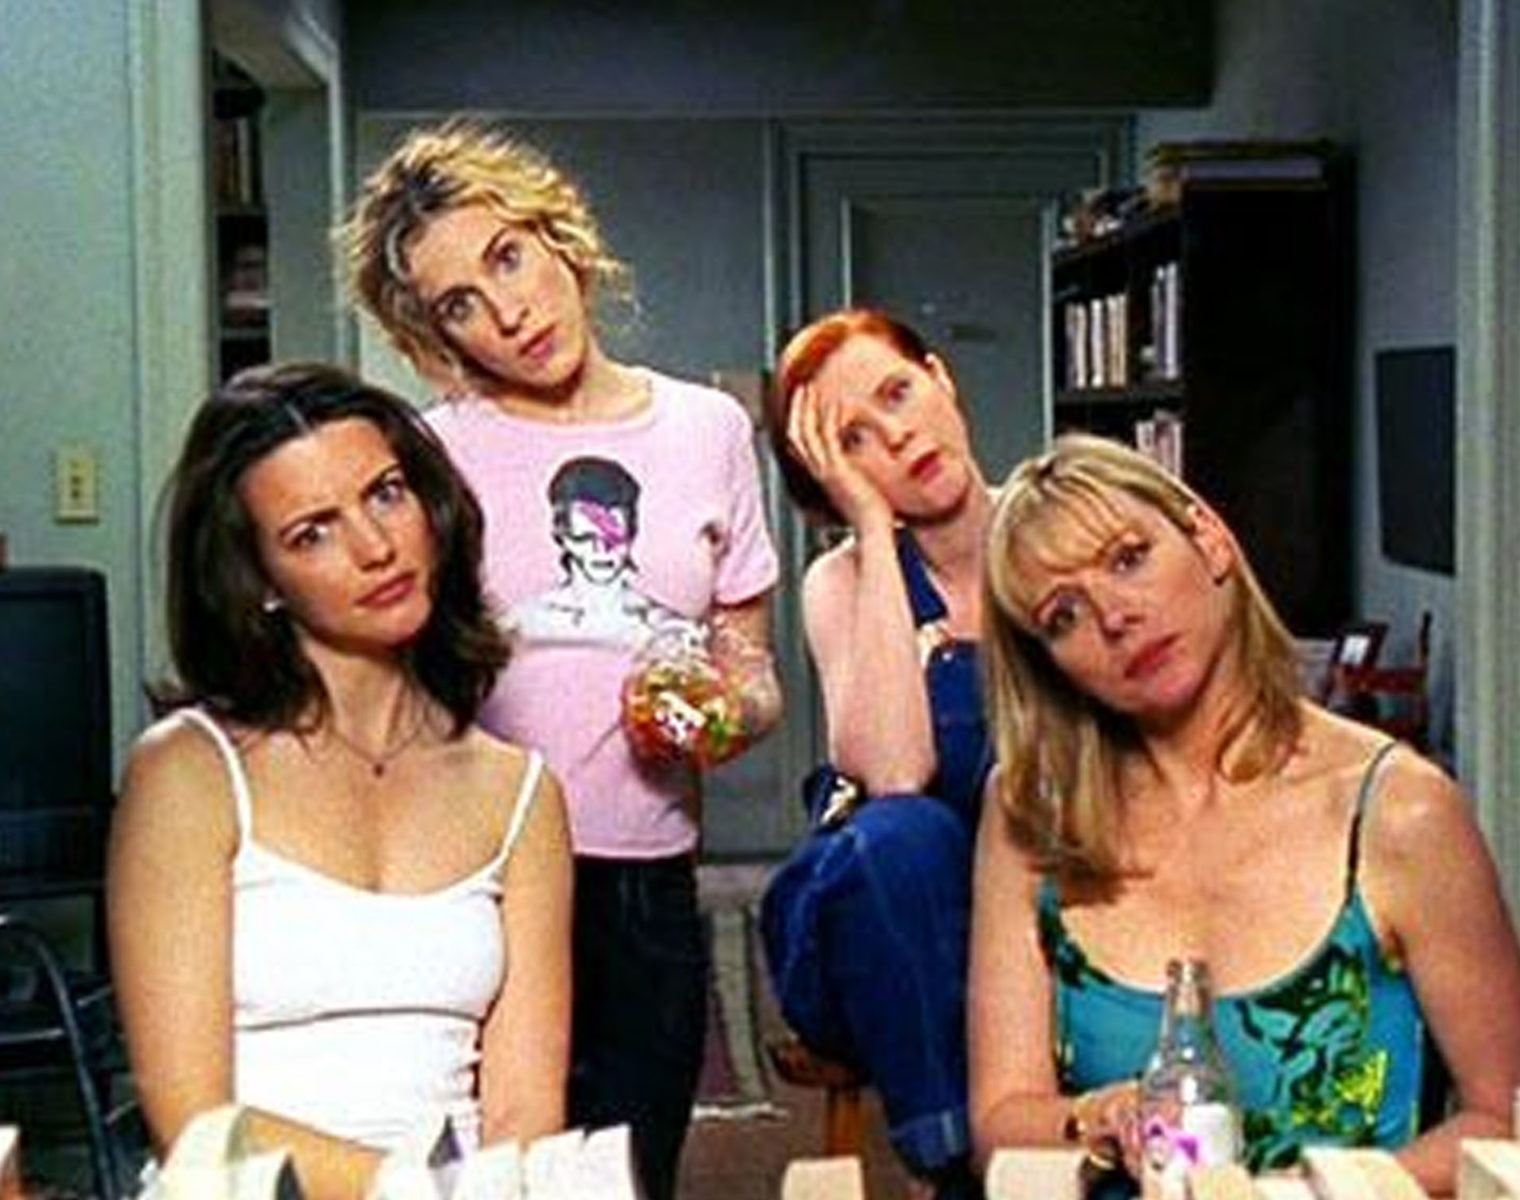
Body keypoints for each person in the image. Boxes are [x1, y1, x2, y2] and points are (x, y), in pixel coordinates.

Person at [338, 119, 783, 1200]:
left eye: (508, 258)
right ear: (433, 334)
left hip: (645, 881)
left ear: (559, 238)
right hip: (474, 875)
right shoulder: (429, 454)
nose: (507, 312)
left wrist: (725, 710)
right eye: (458, 304)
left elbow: (752, 667)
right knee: (487, 1176)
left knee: (625, 1176)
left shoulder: (710, 428)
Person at [969, 432, 1520, 1196]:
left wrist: (1289, 1194)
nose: (1115, 616)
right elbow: (1000, 1121)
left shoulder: (1402, 811)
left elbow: (1502, 1124)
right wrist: (1097, 1116)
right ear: (1048, 664)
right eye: (1063, 615)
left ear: (1209, 540)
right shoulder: (1031, 810)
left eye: (1128, 559)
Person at [107, 363, 573, 1200]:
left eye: (386, 494)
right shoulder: (187, 773)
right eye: (312, 533)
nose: (375, 547)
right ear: (259, 582)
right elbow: (195, 1127)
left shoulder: (522, 794)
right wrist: (431, 1192)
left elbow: (524, 1115)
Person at [757, 308, 994, 1200]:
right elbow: (895, 773)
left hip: (1021, 921)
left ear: (942, 378)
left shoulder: (1050, 534)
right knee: (904, 835)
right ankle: (959, 1169)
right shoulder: (842, 579)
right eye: (853, 440)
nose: (895, 436)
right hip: (875, 925)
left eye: (898, 393)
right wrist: (870, 526)